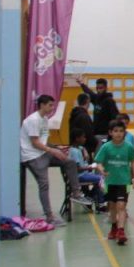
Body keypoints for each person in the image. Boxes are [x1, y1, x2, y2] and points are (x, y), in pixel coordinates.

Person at [20, 94, 92, 225]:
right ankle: (49, 217)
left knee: (69, 162)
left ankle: (76, 193)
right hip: (32, 156)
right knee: (44, 184)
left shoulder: (44, 119)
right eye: (50, 105)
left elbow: (44, 141)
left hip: (43, 152)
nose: (52, 108)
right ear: (42, 105)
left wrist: (58, 148)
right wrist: (52, 151)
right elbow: (35, 142)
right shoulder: (33, 120)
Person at [91, 119, 134, 244]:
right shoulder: (106, 147)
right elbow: (98, 162)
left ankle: (121, 230)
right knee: (112, 206)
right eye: (116, 131)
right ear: (110, 132)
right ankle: (114, 227)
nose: (118, 133)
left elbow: (133, 162)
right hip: (110, 182)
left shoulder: (128, 147)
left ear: (124, 133)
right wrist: (101, 170)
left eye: (121, 131)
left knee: (122, 205)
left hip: (125, 182)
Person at [68, 128, 105, 209]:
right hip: (80, 176)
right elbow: (78, 169)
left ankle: (89, 196)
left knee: (100, 179)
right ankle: (100, 202)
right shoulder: (74, 152)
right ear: (77, 138)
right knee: (101, 179)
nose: (85, 139)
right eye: (83, 137)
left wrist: (84, 150)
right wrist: (90, 167)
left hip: (84, 174)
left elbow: (82, 147)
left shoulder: (78, 148)